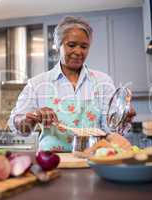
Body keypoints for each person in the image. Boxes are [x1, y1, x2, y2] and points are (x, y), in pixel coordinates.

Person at [8, 16, 135, 152]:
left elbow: (110, 129)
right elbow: (19, 128)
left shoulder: (103, 81)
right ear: (58, 45)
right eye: (72, 45)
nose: (78, 51)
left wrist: (123, 118)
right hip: (52, 161)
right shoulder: (38, 84)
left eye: (84, 46)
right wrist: (32, 116)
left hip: (93, 159)